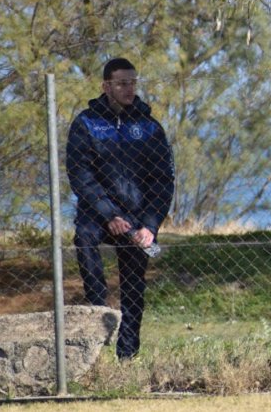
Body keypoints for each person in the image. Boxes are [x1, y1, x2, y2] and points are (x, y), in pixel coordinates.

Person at [67, 58, 175, 360]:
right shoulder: (86, 124)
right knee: (84, 238)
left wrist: (150, 227)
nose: (129, 88)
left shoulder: (149, 127)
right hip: (98, 215)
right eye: (121, 83)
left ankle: (127, 356)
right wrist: (109, 214)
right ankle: (98, 315)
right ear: (106, 86)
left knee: (133, 288)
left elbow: (162, 181)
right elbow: (80, 176)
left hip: (139, 219)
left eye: (133, 82)